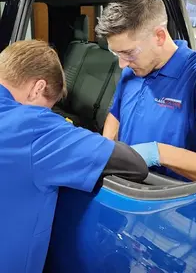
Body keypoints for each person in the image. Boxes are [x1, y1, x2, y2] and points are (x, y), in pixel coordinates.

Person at [0, 40, 149, 273]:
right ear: (37, 88)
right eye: (46, 107)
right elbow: (134, 165)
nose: (46, 114)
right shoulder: (32, 127)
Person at [95, 0, 196, 182]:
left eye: (128, 52)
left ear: (159, 36)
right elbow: (116, 115)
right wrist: (107, 149)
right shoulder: (132, 70)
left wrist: (158, 153)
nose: (121, 64)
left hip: (171, 204)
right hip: (129, 191)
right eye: (115, 52)